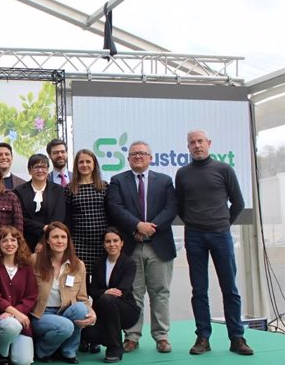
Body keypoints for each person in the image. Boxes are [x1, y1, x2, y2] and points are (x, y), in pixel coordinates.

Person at [175, 129, 253, 356]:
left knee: (230, 288)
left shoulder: (224, 170)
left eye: (200, 141)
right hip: (194, 236)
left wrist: (223, 222)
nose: (197, 145)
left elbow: (237, 202)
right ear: (187, 147)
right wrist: (194, 222)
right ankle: (202, 337)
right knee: (199, 289)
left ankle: (237, 338)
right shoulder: (182, 173)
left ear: (209, 143)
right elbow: (180, 205)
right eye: (192, 142)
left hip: (221, 234)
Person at [108, 141, 177, 354]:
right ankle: (132, 336)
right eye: (133, 154)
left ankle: (161, 336)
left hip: (159, 245)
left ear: (150, 157)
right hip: (131, 245)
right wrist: (137, 226)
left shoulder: (164, 181)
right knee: (133, 293)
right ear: (128, 159)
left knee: (160, 292)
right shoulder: (118, 181)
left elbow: (171, 208)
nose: (138, 157)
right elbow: (115, 208)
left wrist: (150, 228)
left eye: (142, 153)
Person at [32, 222, 95, 364]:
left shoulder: (78, 265)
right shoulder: (34, 260)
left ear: (68, 240)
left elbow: (83, 298)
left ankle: (68, 351)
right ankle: (43, 351)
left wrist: (92, 313)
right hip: (41, 314)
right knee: (66, 326)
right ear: (47, 240)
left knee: (80, 309)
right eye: (55, 237)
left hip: (65, 311)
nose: (60, 241)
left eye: (63, 237)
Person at [0, 226, 38, 365]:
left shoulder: (27, 266)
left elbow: (31, 295)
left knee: (23, 362)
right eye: (4, 241)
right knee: (11, 326)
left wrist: (14, 313)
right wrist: (15, 313)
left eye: (13, 240)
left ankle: (8, 345)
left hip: (21, 320)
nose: (9, 244)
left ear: (19, 243)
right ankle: (1, 354)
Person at [84, 227, 140, 363]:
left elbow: (123, 290)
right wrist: (105, 292)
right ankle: (100, 339)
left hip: (127, 310)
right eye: (108, 241)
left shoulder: (129, 263)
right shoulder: (98, 263)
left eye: (115, 241)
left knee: (108, 299)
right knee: (87, 334)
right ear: (103, 244)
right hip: (103, 310)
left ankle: (115, 348)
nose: (112, 244)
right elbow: (92, 289)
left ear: (122, 243)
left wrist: (104, 293)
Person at [65, 149, 109, 277]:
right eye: (81, 162)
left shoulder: (104, 186)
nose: (85, 165)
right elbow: (67, 216)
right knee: (79, 279)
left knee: (100, 280)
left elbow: (110, 213)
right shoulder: (70, 188)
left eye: (88, 161)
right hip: (78, 242)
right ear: (76, 166)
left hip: (101, 241)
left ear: (94, 164)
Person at [15, 154, 67, 251]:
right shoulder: (19, 191)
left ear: (47, 170)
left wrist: (42, 241)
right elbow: (20, 218)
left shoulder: (58, 190)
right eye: (36, 167)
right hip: (25, 242)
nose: (40, 170)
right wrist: (43, 227)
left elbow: (59, 217)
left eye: (43, 167)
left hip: (51, 242)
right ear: (29, 171)